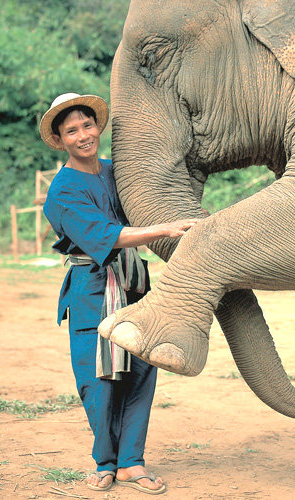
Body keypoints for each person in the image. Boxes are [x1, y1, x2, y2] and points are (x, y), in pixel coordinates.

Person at [40, 93, 198, 494]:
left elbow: (149, 197)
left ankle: (131, 463)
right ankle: (105, 461)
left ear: (98, 127)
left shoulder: (116, 172)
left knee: (143, 368)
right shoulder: (63, 190)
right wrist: (165, 230)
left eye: (88, 125)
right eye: (71, 130)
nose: (83, 135)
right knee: (99, 380)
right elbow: (105, 235)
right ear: (60, 140)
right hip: (92, 289)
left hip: (135, 283)